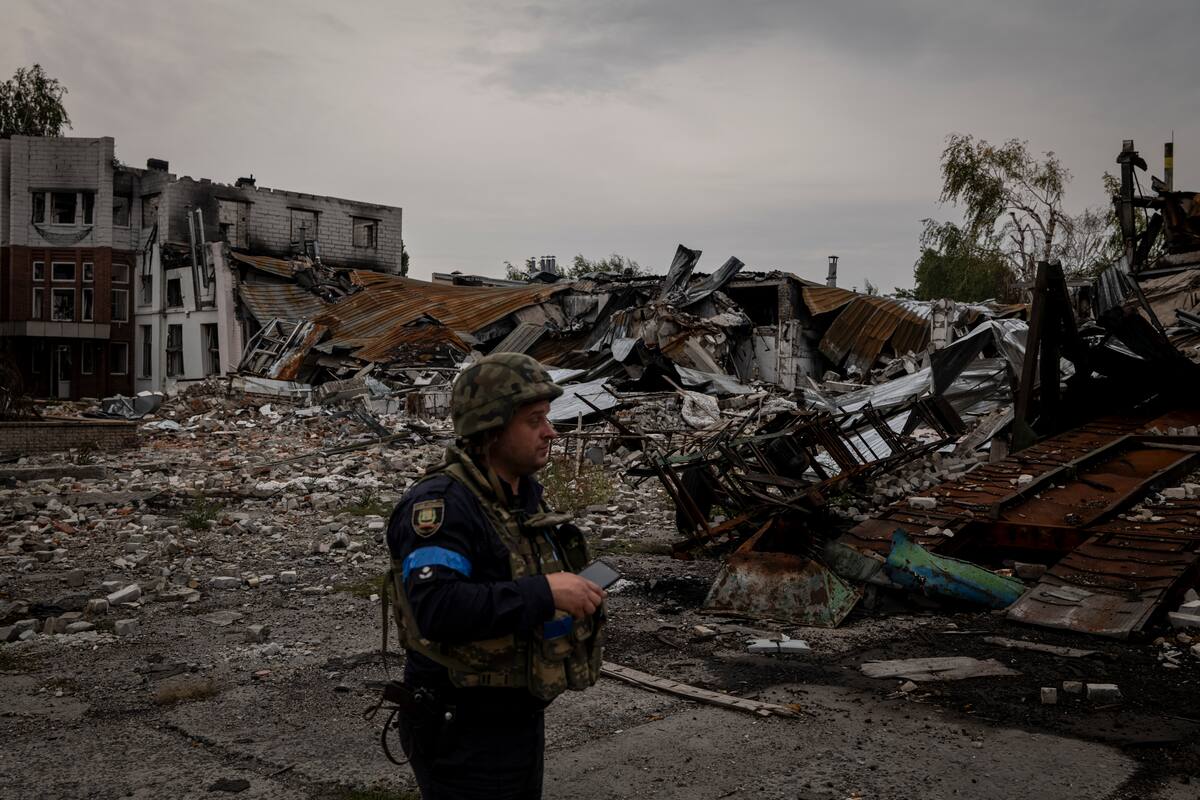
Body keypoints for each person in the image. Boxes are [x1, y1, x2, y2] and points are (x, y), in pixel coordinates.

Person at [381, 352, 606, 799]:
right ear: (492, 429)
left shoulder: (516, 496)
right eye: (534, 420)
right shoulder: (443, 507)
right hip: (464, 727)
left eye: (548, 417)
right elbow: (438, 608)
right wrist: (545, 591)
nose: (550, 431)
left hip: (513, 715)